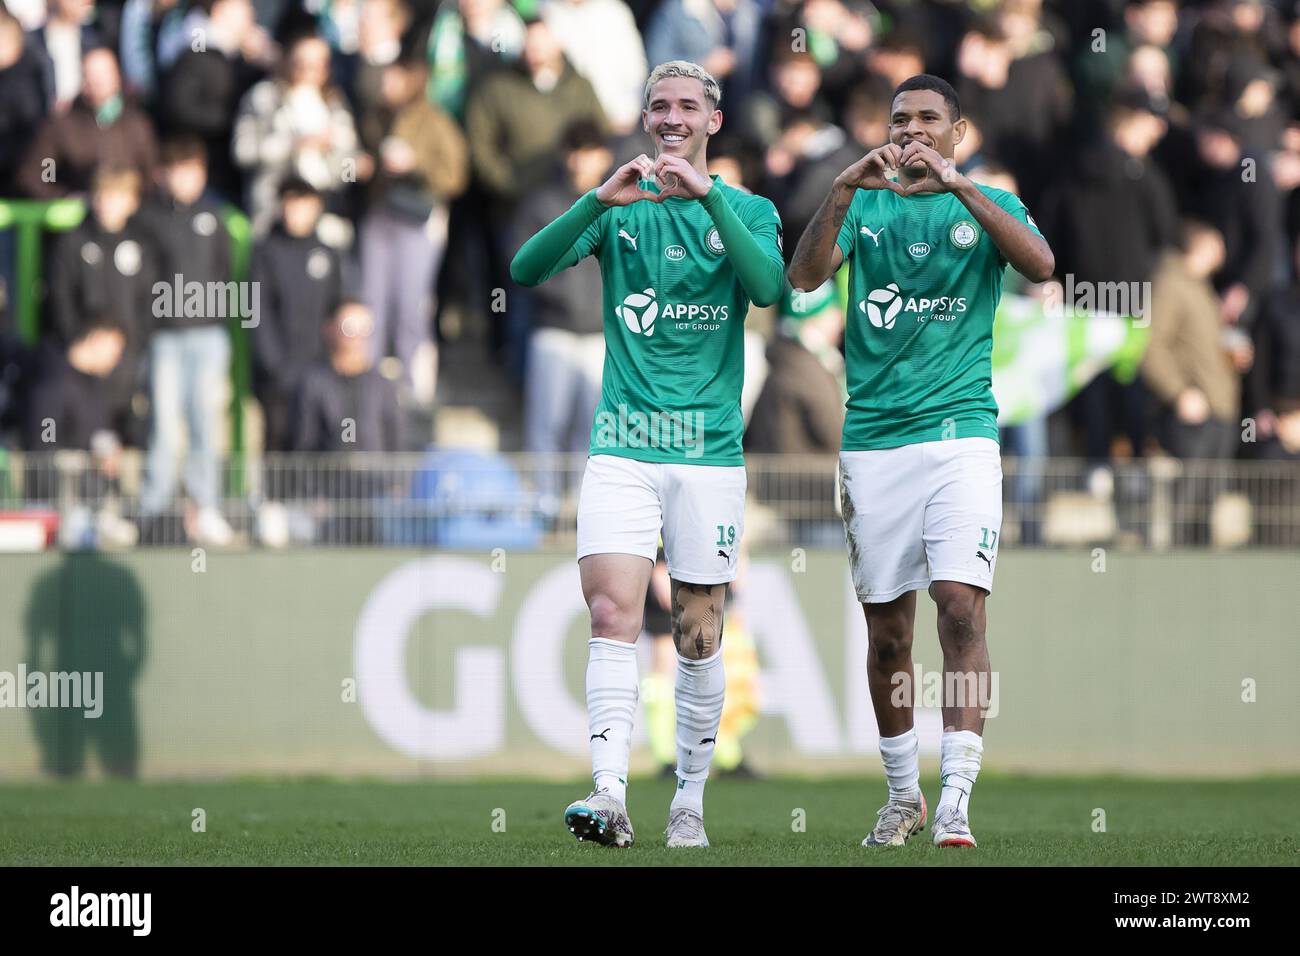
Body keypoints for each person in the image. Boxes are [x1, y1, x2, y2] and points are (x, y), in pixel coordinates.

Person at [510, 60, 784, 849]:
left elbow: (767, 287)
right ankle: (607, 792)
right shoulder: (617, 202)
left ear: (713, 122)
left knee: (699, 634)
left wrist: (707, 200)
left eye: (687, 105)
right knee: (612, 612)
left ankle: (690, 798)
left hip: (706, 453)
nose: (671, 116)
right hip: (623, 444)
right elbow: (526, 269)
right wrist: (596, 200)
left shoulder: (748, 208)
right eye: (658, 104)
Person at [787, 73, 1054, 849]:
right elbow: (803, 278)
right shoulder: (863, 199)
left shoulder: (987, 198)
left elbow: (1039, 266)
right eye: (899, 119)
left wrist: (962, 190)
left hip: (961, 435)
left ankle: (957, 800)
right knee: (890, 637)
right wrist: (840, 187)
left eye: (927, 120)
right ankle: (902, 793)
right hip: (874, 438)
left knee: (961, 607)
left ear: (956, 131)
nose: (910, 131)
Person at [134, 135, 236, 546]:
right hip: (165, 338)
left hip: (207, 336)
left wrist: (216, 321)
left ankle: (204, 505)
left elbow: (224, 274)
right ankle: (152, 507)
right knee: (162, 421)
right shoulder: (149, 219)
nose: (184, 179)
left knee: (203, 421)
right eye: (177, 170)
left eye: (192, 170)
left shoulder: (215, 216)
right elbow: (144, 282)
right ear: (164, 174)